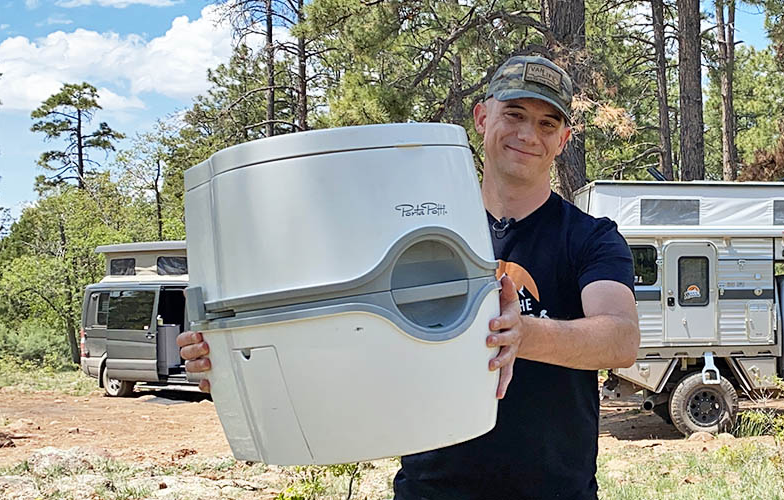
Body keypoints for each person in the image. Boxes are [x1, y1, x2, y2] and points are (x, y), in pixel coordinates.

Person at [177, 55, 640, 500]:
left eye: (547, 123)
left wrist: (524, 333)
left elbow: (619, 338)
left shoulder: (589, 238)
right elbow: (344, 335)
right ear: (482, 117)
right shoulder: (409, 233)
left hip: (554, 492)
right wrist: (234, 361)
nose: (527, 134)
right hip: (431, 489)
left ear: (563, 140)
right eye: (514, 113)